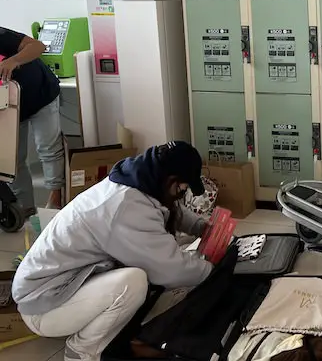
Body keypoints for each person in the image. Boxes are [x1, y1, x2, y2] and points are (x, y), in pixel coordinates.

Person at [12, 141, 214, 361]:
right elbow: (171, 270)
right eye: (181, 189)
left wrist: (202, 227)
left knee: (149, 270)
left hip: (59, 285)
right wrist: (213, 269)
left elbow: (169, 207)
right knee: (133, 282)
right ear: (171, 180)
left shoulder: (139, 179)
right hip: (43, 306)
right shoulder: (126, 207)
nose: (180, 195)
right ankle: (81, 352)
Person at [0, 25, 65, 211]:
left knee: (48, 148)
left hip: (40, 94)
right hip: (8, 105)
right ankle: (24, 207)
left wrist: (13, 61)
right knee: (12, 158)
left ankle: (56, 199)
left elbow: (38, 46)